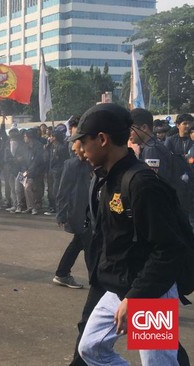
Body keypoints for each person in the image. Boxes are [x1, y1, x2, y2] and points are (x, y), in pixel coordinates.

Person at [70, 103, 191, 365]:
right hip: (119, 285)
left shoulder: (142, 183)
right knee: (90, 348)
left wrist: (137, 298)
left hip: (151, 290)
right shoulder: (107, 178)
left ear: (102, 139)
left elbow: (169, 249)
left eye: (83, 141)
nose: (77, 148)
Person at [53, 123, 91, 289]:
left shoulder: (94, 163)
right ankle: (98, 282)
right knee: (90, 246)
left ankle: (62, 273)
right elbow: (63, 191)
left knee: (79, 243)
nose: (74, 148)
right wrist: (61, 214)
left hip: (91, 213)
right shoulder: (71, 165)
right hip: (78, 213)